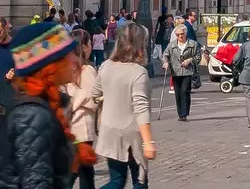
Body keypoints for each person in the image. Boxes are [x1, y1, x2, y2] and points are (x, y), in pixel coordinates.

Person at [5, 22, 82, 189]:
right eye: (68, 55)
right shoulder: (33, 115)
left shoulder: (43, 105)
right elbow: (36, 183)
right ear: (51, 66)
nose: (75, 61)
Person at [95, 22, 156, 189]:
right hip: (132, 134)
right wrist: (148, 142)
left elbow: (95, 94)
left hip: (109, 131)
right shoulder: (138, 72)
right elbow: (141, 109)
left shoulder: (106, 66)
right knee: (140, 182)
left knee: (117, 180)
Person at [67, 28, 99, 189]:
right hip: (83, 128)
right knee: (77, 171)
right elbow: (94, 99)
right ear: (85, 47)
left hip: (70, 126)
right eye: (90, 43)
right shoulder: (88, 70)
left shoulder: (66, 68)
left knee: (85, 169)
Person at [163, 24, 200, 122]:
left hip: (188, 71)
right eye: (178, 34)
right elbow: (165, 55)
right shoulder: (172, 45)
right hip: (175, 71)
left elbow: (198, 57)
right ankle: (180, 114)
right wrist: (165, 62)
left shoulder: (193, 44)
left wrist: (189, 60)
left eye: (182, 34)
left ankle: (184, 113)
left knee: (184, 91)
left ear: (185, 33)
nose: (180, 36)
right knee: (178, 93)